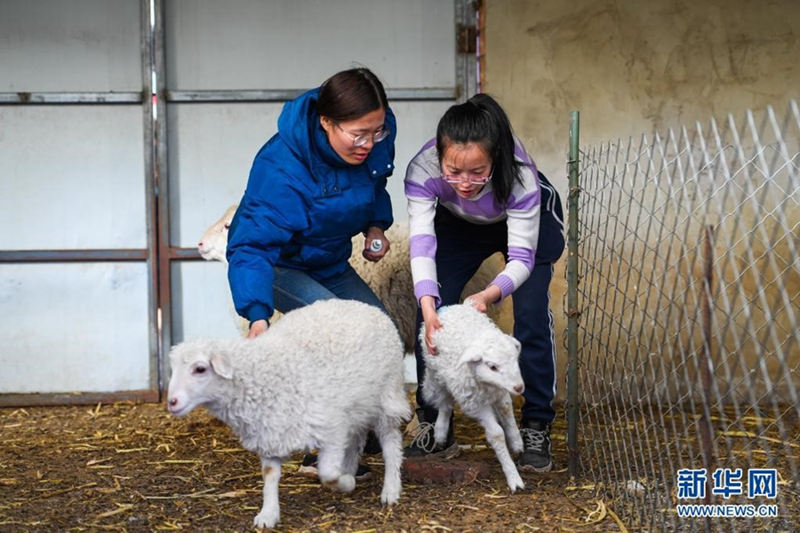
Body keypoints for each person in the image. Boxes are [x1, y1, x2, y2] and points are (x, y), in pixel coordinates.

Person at [226, 67, 397, 478]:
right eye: (359, 134)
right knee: (340, 334)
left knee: (379, 328)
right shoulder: (281, 168)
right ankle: (320, 445)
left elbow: (375, 185)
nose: (369, 143)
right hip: (279, 267)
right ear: (326, 122)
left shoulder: (373, 139)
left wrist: (376, 226)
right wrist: (257, 315)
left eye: (377, 131)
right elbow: (250, 247)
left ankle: (362, 430)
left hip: (329, 261)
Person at [403, 93, 565, 472]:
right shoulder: (423, 170)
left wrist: (491, 294)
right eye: (453, 171)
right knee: (430, 313)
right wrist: (428, 300)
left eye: (478, 171)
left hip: (522, 223)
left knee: (530, 315)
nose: (464, 181)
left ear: (496, 157)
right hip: (460, 225)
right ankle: (433, 425)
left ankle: (537, 423)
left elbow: (522, 259)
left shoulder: (521, 176)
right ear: (439, 157)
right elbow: (422, 244)